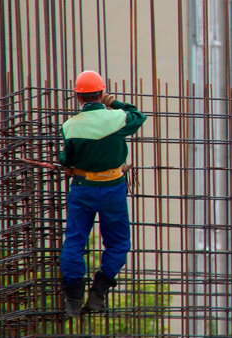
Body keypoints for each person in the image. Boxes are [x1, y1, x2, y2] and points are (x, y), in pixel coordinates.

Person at [59, 70, 147, 317]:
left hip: (82, 188)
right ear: (101, 93)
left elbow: (68, 158)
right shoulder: (117, 118)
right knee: (119, 243)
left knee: (74, 241)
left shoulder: (70, 126)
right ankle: (98, 293)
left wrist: (66, 163)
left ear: (77, 96)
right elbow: (138, 115)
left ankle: (73, 299)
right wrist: (112, 102)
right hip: (112, 188)